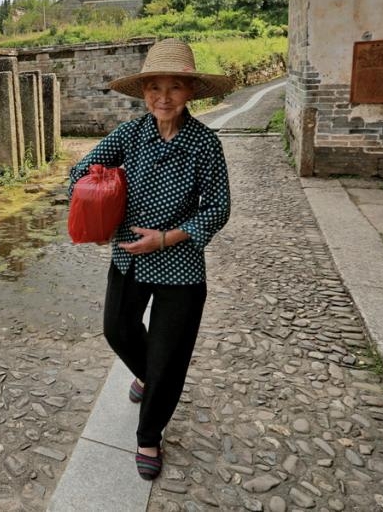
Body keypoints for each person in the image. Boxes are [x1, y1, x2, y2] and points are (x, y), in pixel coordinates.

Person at [68, 38, 232, 480]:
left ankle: (149, 434)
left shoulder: (205, 145)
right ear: (143, 93)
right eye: (154, 87)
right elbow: (79, 172)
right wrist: (96, 203)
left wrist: (165, 239)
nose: (163, 97)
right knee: (117, 329)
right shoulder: (130, 134)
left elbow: (216, 208)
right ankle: (152, 377)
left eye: (174, 87)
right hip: (128, 258)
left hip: (180, 264)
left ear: (190, 92)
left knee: (169, 355)